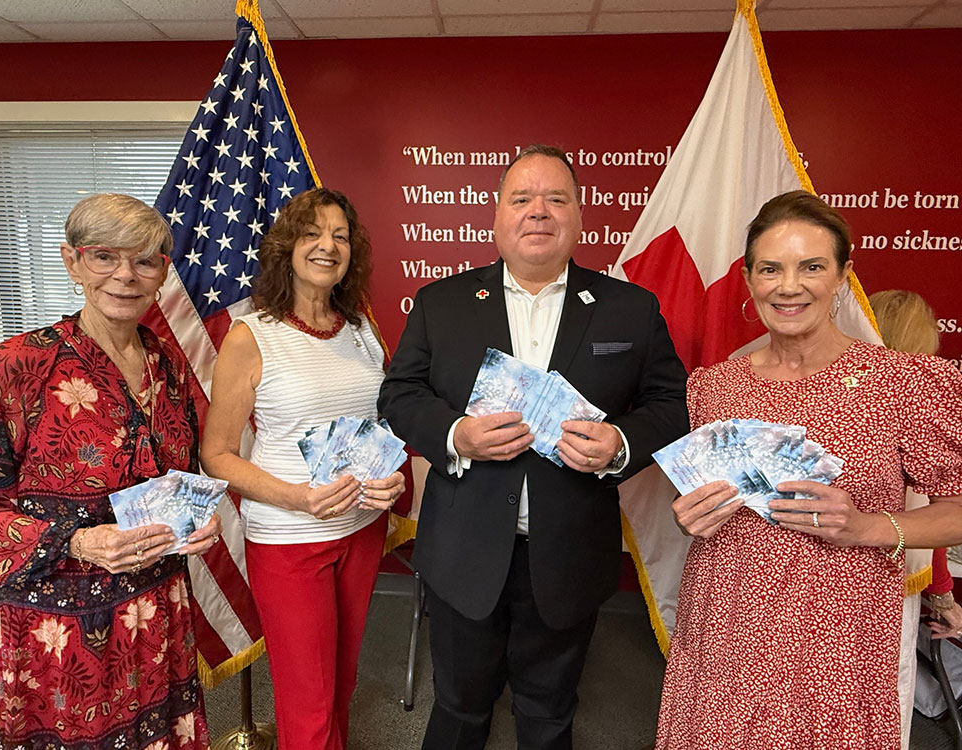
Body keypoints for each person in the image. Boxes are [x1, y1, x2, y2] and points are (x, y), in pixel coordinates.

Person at [378, 144, 689, 750]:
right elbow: (399, 396)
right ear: (496, 217)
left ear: (579, 218)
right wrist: (454, 435)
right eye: (521, 199)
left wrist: (622, 442)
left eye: (556, 199)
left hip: (569, 553)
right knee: (460, 708)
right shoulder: (442, 304)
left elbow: (671, 405)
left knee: (548, 714)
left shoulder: (630, 308)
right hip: (463, 550)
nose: (538, 212)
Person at [657, 191, 962, 750]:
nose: (788, 285)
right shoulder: (714, 387)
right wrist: (687, 518)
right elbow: (701, 501)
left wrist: (869, 527)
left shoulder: (902, 384)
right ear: (749, 281)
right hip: (725, 626)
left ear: (844, 275)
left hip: (838, 640)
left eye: (812, 266)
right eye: (770, 269)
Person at [0, 193, 221, 750]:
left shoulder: (167, 362)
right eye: (105, 256)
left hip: (159, 606)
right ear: (72, 261)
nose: (125, 275)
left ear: (162, 272)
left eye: (145, 260)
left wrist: (198, 519)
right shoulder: (20, 364)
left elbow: (178, 474)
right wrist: (76, 542)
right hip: (61, 625)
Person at [200, 187, 405, 750]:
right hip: (291, 538)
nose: (327, 246)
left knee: (340, 684)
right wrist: (297, 497)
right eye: (313, 233)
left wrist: (390, 475)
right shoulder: (252, 336)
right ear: (288, 246)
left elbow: (375, 427)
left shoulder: (362, 330)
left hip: (361, 531)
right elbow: (216, 453)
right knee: (308, 700)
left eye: (340, 236)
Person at [869, 288, 960, 748]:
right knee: (887, 685)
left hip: (818, 575)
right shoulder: (923, 401)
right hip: (891, 573)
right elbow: (937, 518)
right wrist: (943, 600)